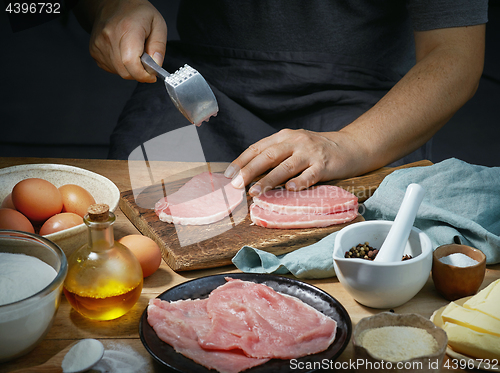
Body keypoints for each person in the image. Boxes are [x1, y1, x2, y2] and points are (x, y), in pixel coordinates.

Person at [74, 0, 487, 197]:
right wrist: (106, 5)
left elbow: (455, 56)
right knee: (137, 209)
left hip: (358, 102)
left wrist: (351, 144)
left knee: (346, 239)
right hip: (204, 80)